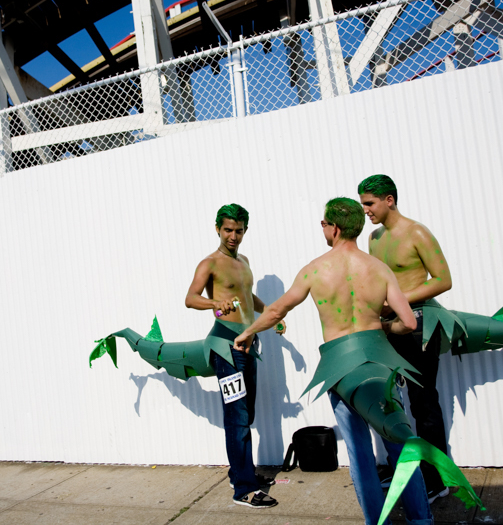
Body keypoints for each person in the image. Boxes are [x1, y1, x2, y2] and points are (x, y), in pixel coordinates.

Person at [232, 197, 433, 525]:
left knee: (360, 454)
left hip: (341, 366)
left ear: (335, 228)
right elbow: (409, 323)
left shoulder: (315, 269)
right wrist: (379, 327)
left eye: (324, 223)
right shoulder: (378, 268)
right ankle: (421, 521)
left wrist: (247, 333)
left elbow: (276, 310)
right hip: (380, 363)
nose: (322, 227)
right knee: (399, 445)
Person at [358, 174, 452, 502]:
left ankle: (438, 478)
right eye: (362, 204)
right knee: (391, 399)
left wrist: (401, 301)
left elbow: (443, 279)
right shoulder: (374, 238)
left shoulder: (417, 233)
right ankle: (399, 466)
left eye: (369, 203)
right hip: (387, 329)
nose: (365, 210)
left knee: (424, 402)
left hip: (420, 326)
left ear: (389, 200)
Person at [184, 203, 285, 509]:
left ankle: (237, 471)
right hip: (224, 345)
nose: (233, 236)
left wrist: (270, 313)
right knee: (237, 416)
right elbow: (190, 299)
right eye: (228, 230)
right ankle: (244, 487)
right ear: (218, 229)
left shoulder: (244, 261)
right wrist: (214, 303)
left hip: (248, 344)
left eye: (239, 230)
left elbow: (246, 296)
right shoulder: (209, 263)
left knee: (247, 413)